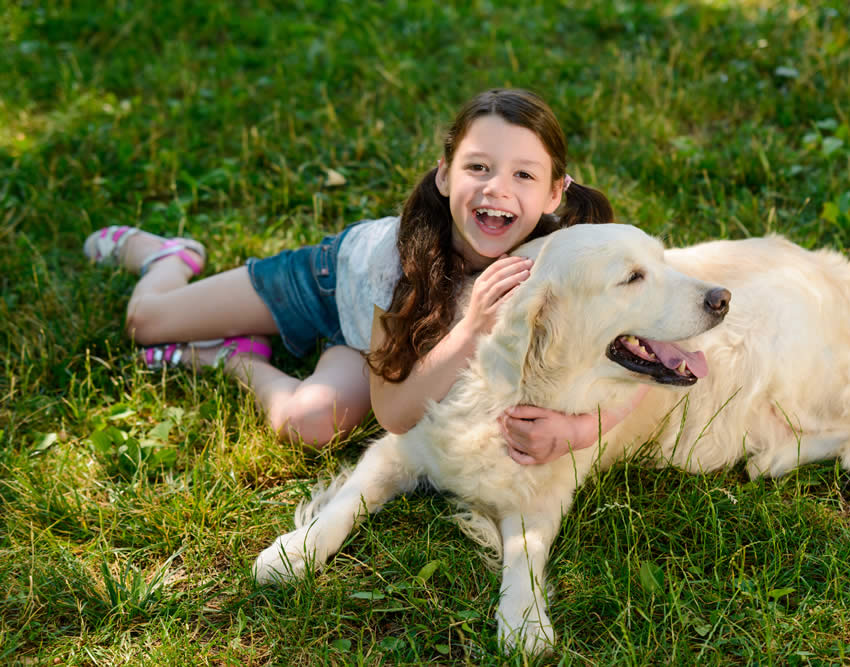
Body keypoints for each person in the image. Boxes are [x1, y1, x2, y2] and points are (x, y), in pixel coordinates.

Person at [84, 88, 647, 465]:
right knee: (145, 322)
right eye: (478, 166)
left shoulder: (565, 262)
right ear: (445, 175)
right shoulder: (392, 261)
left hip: (385, 346)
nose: (497, 187)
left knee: (310, 424)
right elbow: (397, 414)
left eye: (523, 174)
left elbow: (638, 364)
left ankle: (231, 358)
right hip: (332, 284)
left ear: (553, 193)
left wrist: (576, 432)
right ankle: (166, 255)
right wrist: (473, 328)